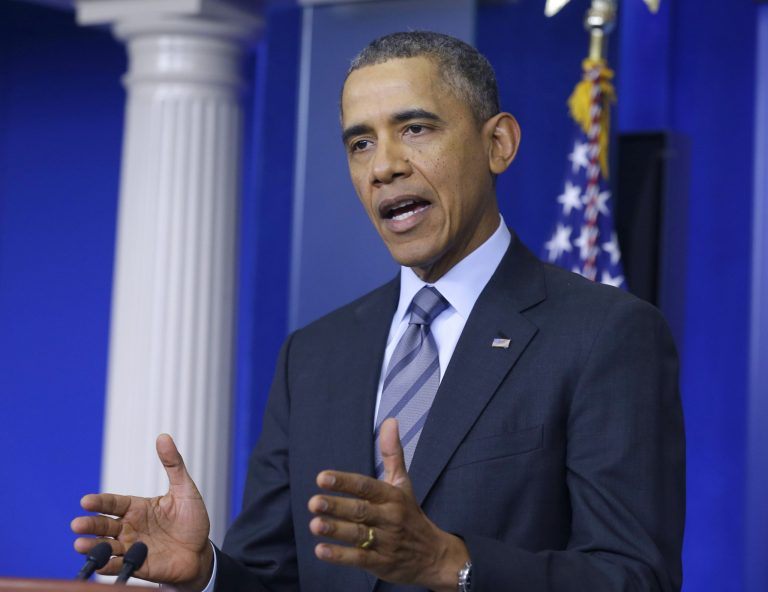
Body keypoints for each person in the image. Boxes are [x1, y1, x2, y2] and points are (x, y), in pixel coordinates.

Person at [72, 31, 685, 592]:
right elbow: (274, 579)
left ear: (497, 143)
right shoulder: (312, 355)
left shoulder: (604, 333)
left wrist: (453, 563)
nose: (383, 166)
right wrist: (206, 571)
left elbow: (634, 576)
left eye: (415, 129)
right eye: (360, 142)